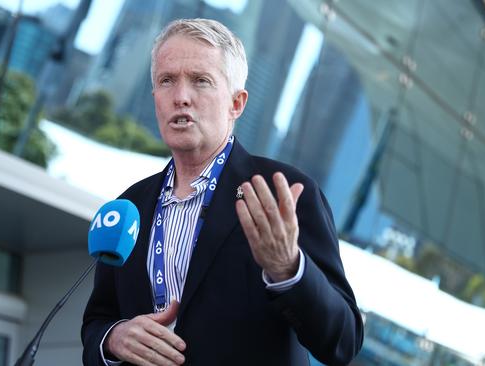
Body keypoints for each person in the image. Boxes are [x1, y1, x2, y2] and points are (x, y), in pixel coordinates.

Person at [82, 18, 364, 366]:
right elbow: (97, 320)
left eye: (201, 81)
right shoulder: (129, 206)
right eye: (166, 81)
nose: (181, 97)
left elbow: (343, 342)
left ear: (237, 103)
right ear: (154, 95)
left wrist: (288, 269)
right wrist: (114, 338)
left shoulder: (283, 193)